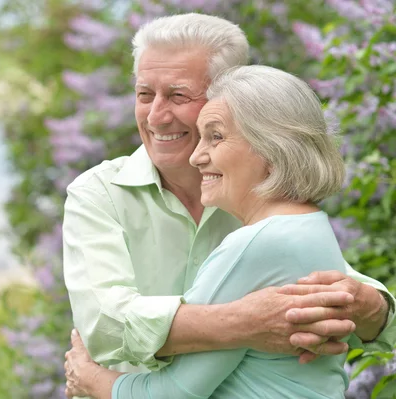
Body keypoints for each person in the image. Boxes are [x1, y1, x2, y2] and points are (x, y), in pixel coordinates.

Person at [62, 12, 395, 394]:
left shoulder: (265, 208)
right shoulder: (98, 193)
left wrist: (371, 308)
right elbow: (106, 325)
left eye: (178, 95)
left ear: (230, 96)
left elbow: (342, 292)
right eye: (144, 94)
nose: (156, 116)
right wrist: (245, 323)